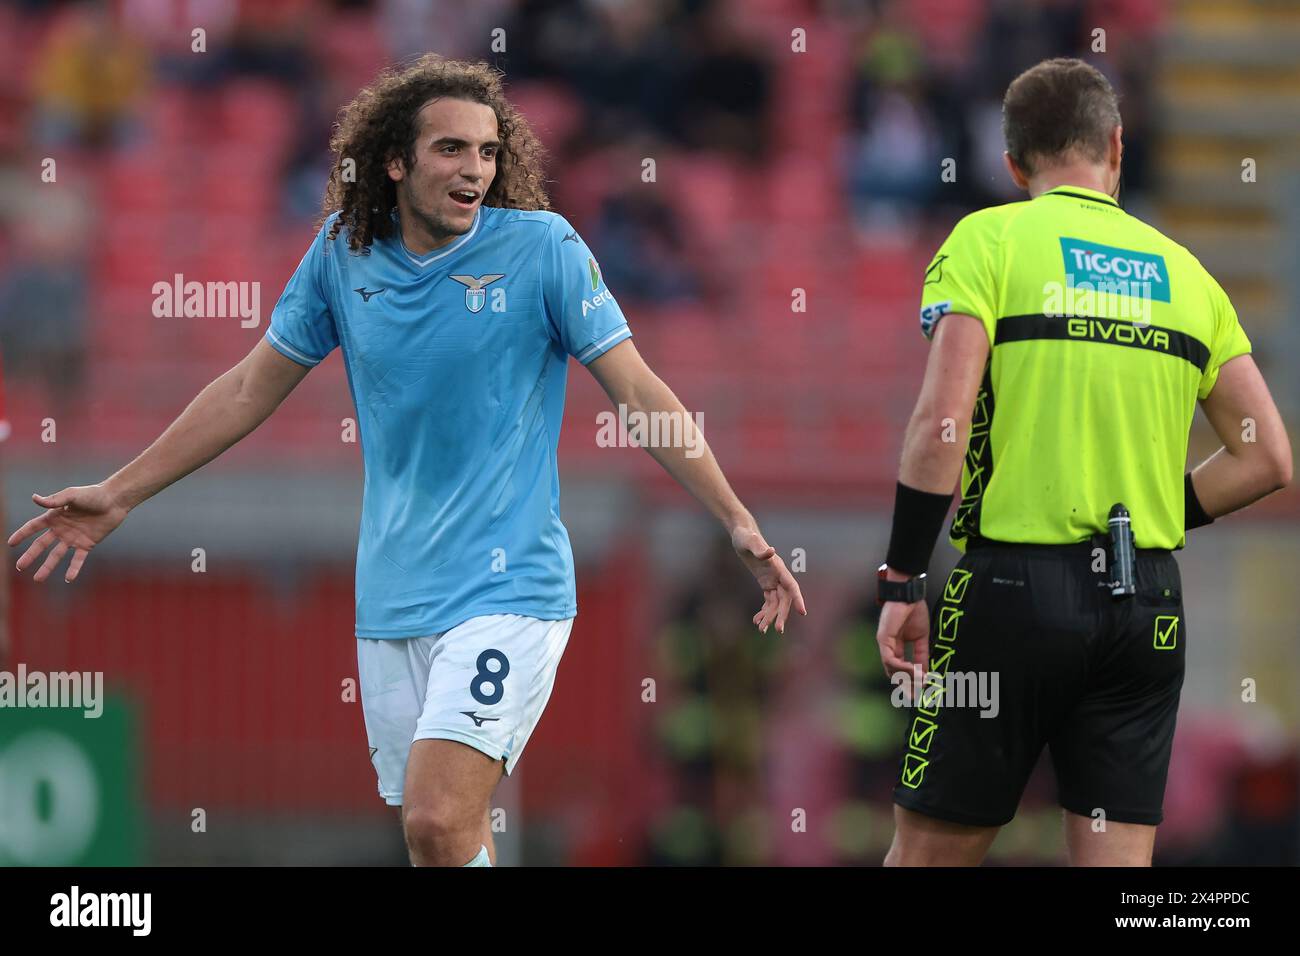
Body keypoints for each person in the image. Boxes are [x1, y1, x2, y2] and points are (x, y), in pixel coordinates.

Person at [8, 55, 805, 867]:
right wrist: (120, 493)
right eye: (452, 149)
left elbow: (639, 391)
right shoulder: (341, 255)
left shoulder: (542, 251)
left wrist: (735, 517)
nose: (476, 170)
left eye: (489, 152)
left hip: (511, 588)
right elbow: (250, 386)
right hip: (392, 599)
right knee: (442, 842)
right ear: (395, 159)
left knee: (436, 815)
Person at [874, 57, 1291, 866]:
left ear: (1013, 163)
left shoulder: (990, 240)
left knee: (928, 856)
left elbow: (940, 428)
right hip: (1146, 606)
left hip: (1010, 594)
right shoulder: (1190, 276)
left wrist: (901, 582)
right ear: (1117, 148)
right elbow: (1268, 456)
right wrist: (1165, 513)